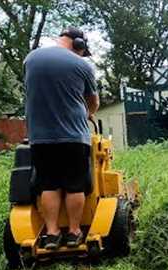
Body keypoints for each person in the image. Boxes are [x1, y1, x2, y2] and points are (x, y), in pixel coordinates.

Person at [24, 27, 99, 250]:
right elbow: (93, 102)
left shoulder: (31, 58)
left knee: (48, 184)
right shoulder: (81, 65)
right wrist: (88, 113)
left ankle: (52, 234)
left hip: (40, 137)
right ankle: (75, 232)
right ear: (79, 45)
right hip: (73, 136)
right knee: (75, 185)